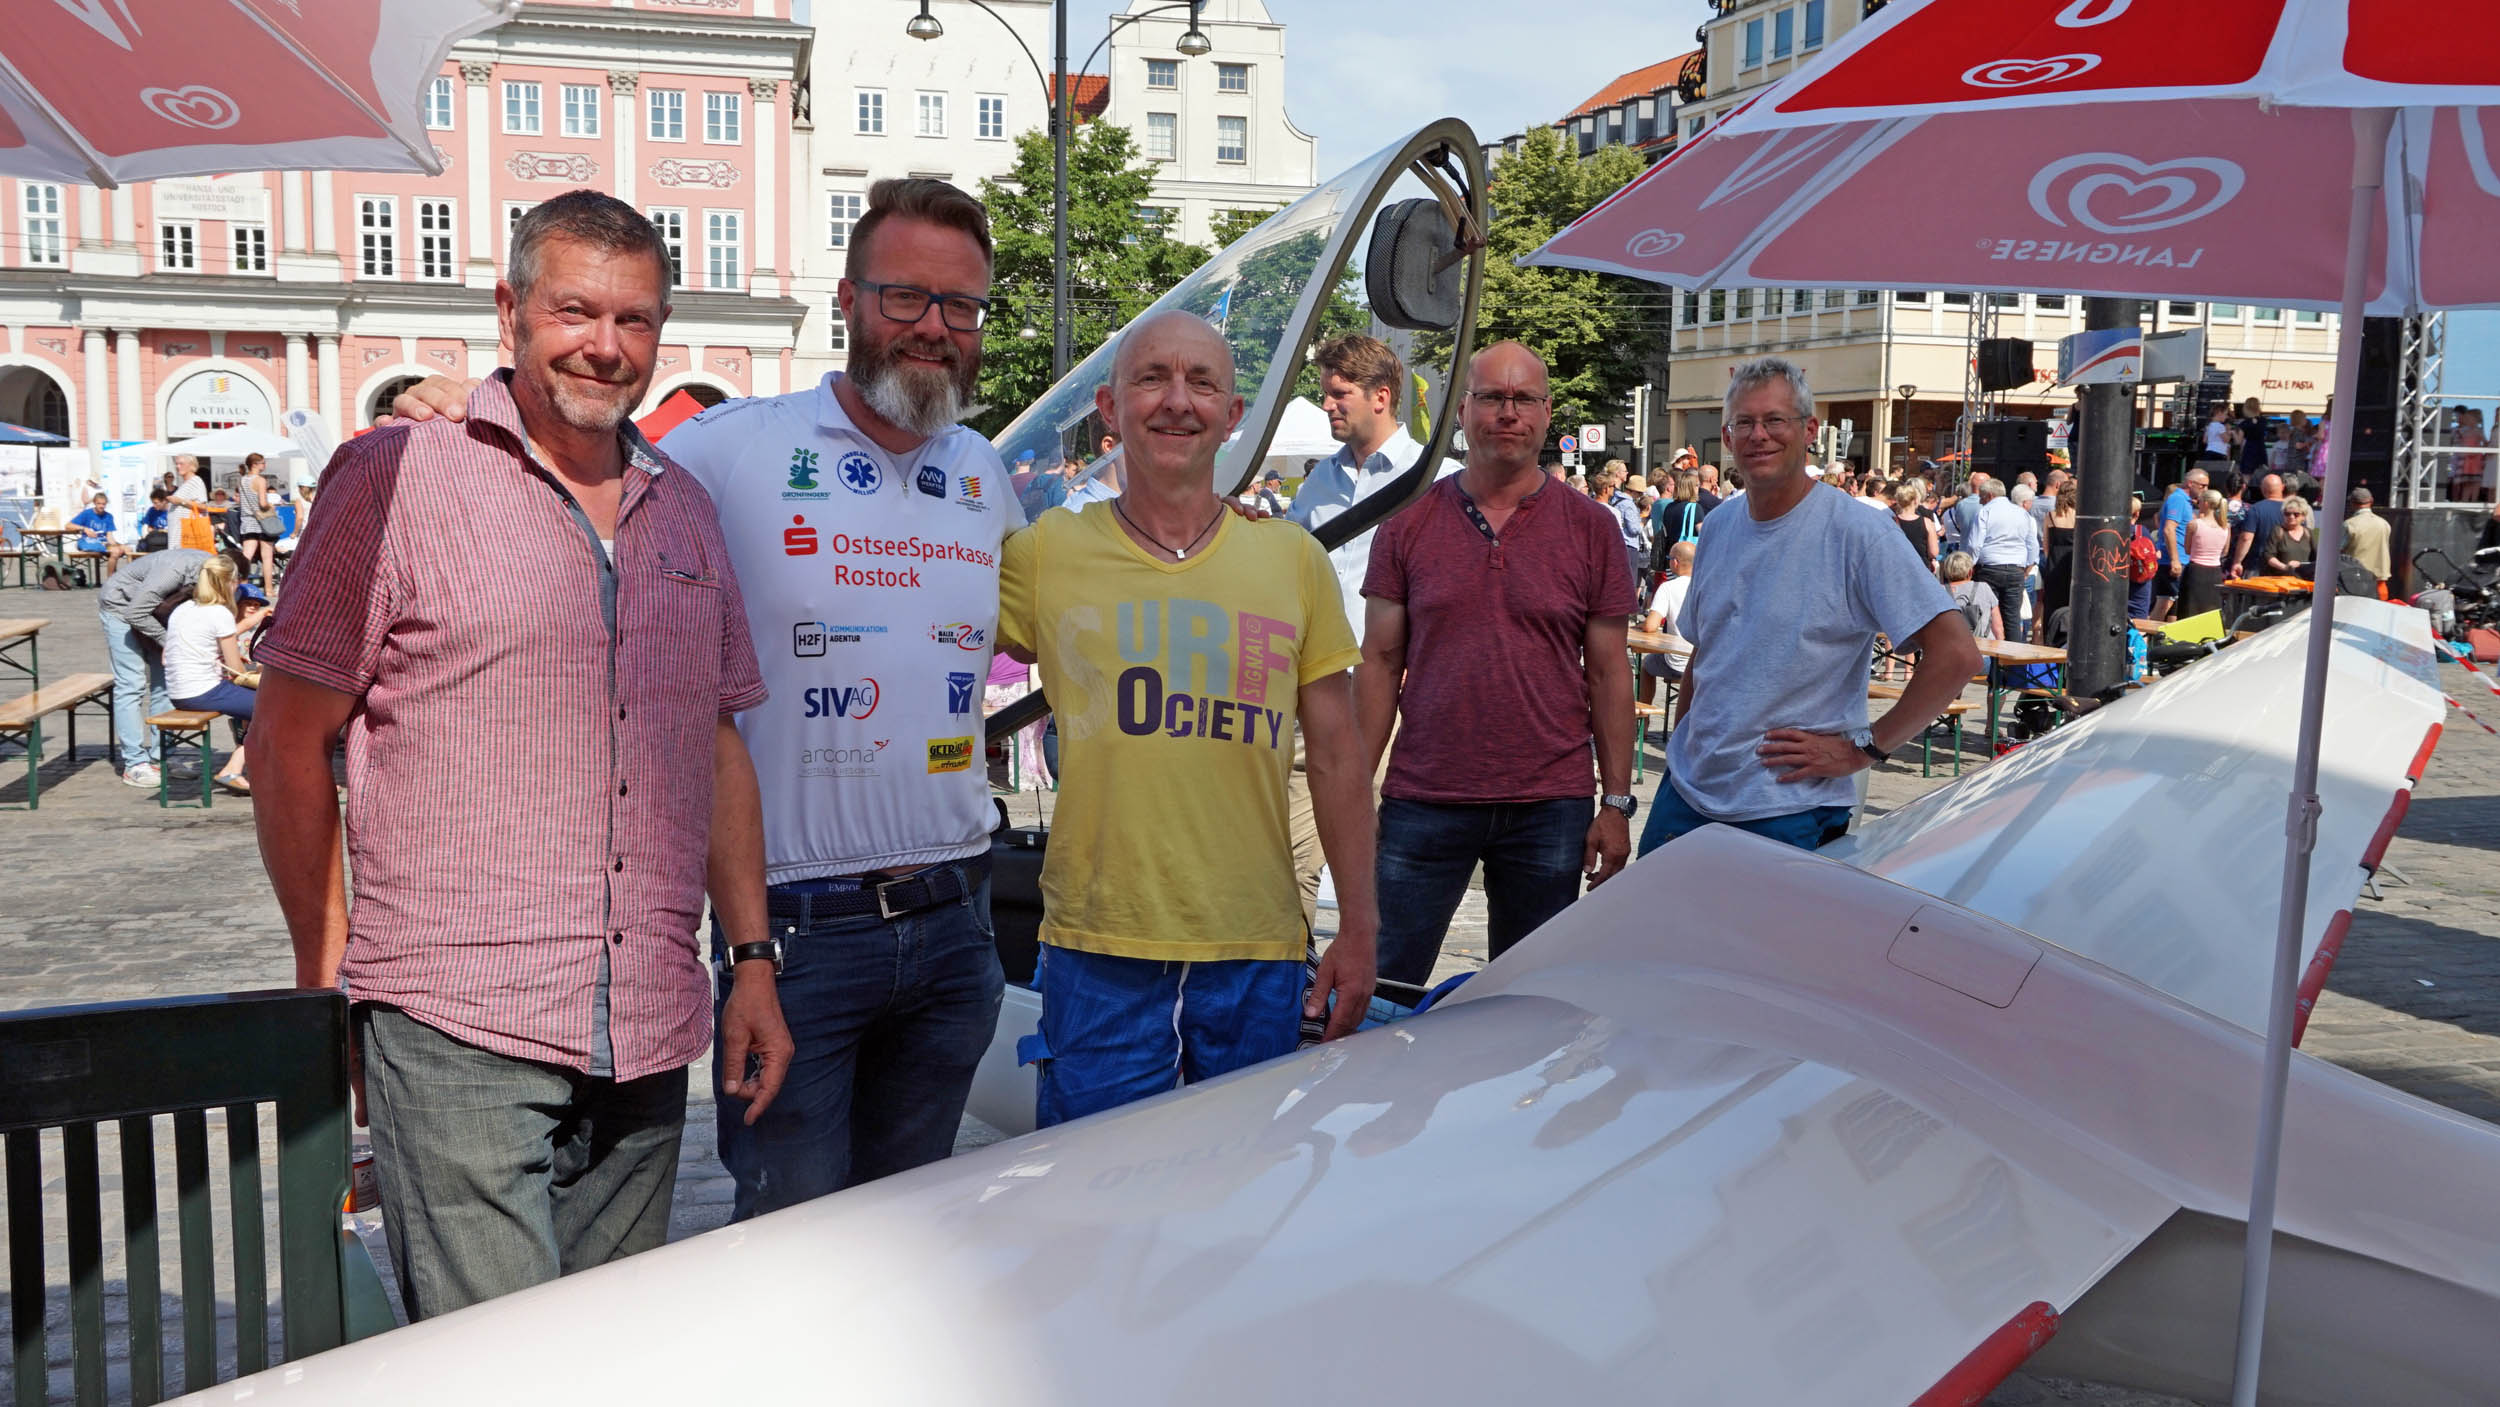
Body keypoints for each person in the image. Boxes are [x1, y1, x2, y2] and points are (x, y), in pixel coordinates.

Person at [385, 178, 1021, 1221]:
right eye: (905, 296)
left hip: (956, 921)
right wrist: (460, 408)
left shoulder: (985, 473)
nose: (934, 327)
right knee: (790, 1243)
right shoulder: (731, 448)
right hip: (799, 931)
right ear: (848, 302)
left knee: (917, 1238)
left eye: (961, 305)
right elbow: (572, 458)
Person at [252, 190, 790, 1321]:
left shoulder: (685, 510)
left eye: (634, 319)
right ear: (510, 312)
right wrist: (325, 975)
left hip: (647, 1021)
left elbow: (715, 744)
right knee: (493, 1363)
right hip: (458, 1020)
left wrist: (750, 960)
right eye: (575, 311)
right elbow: (288, 743)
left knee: (606, 1351)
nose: (606, 345)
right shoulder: (397, 474)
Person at [995, 309, 1379, 1126]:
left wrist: (1360, 926)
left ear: (1232, 414)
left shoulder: (1291, 559)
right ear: (1109, 406)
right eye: (1152, 378)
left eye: (1202, 383)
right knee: (1093, 1184)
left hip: (1256, 945)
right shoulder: (1044, 553)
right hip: (1099, 944)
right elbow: (929, 627)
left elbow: (1339, 755)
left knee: (1244, 1184)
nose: (1177, 400)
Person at [1358, 341, 1636, 989]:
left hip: (1550, 803)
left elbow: (1609, 672)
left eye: (1524, 399)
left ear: (1546, 413)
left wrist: (1617, 802)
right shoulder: (1408, 523)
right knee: (1380, 990)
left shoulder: (1591, 528)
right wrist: (1354, 790)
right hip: (1426, 796)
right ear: (1463, 410)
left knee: (1529, 1000)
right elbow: (1378, 663)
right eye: (1491, 397)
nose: (1508, 413)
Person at [1639, 357, 1978, 857]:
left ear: (1810, 431)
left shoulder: (1858, 531)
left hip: (1785, 805)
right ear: (1728, 437)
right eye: (1744, 423)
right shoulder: (1720, 526)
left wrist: (1866, 748)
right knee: (1654, 913)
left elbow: (1958, 656)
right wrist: (1681, 749)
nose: (1759, 435)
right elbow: (1707, 653)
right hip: (1686, 793)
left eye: (1775, 420)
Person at [1284, 332, 1436, 926]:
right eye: (1325, 393)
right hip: (1319, 689)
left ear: (1381, 396)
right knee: (1292, 856)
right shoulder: (1319, 481)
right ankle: (1296, 973)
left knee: (1379, 862)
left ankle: (1366, 970)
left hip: (1394, 698)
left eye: (1338, 393)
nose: (1327, 405)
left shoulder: (1435, 479)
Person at [96, 547, 214, 790]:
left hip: (156, 612)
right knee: (131, 684)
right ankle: (135, 763)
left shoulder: (215, 571)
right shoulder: (174, 571)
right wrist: (169, 642)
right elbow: (135, 613)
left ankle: (162, 757)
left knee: (165, 683)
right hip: (121, 607)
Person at [163, 554, 267, 794]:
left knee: (257, 707)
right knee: (275, 710)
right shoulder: (219, 613)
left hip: (178, 691)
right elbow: (236, 671)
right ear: (230, 583)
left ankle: (240, 763)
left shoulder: (183, 609)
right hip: (204, 691)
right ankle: (234, 769)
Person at [1967, 477, 2035, 638]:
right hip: (2015, 570)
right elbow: (2032, 544)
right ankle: (2013, 654)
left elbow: (1974, 544)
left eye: (1982, 497)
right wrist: (2027, 567)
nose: (1980, 502)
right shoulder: (2022, 514)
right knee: (2012, 618)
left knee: (1987, 616)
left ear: (1990, 495)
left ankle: (1990, 653)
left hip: (1989, 570)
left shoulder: (1985, 512)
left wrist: (1970, 565)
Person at [1638, 539, 1696, 709]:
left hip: (1676, 662)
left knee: (1646, 665)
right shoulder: (1706, 587)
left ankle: (1645, 716)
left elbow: (1650, 626)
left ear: (1675, 562)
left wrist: (1642, 624)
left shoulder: (1668, 587)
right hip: (1701, 663)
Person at [2154, 466, 2209, 620]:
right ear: (2190, 483)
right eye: (2203, 486)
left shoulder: (2186, 501)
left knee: (2174, 607)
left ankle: (2165, 635)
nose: (2205, 489)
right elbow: (2169, 529)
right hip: (2173, 561)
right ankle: (2144, 635)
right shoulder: (2178, 500)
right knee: (2164, 604)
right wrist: (2175, 560)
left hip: (2181, 559)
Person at [236, 452, 285, 599]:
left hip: (247, 520)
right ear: (255, 464)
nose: (265, 465)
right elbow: (262, 503)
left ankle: (241, 586)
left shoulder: (242, 480)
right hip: (263, 521)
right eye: (263, 462)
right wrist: (271, 505)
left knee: (246, 556)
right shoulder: (260, 480)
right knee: (267, 557)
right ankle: (268, 590)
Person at [2179, 488, 2231, 617]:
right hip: (2215, 572)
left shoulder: (2194, 524)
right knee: (2211, 612)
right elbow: (2225, 551)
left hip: (2196, 571)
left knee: (2189, 611)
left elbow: (2187, 549)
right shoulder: (2225, 527)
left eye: (2200, 501)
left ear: (2206, 504)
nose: (2198, 504)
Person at [2231, 472, 2288, 579]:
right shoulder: (2294, 512)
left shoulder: (2256, 509)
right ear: (2283, 487)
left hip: (2257, 567)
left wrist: (2237, 562)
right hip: (2285, 567)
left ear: (2262, 489)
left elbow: (2246, 538)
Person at [2039, 477, 2078, 624]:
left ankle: (2051, 632)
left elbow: (2045, 545)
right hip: (2073, 563)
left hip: (2054, 563)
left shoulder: (2051, 515)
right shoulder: (2079, 516)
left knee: (2052, 603)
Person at [68, 492, 133, 572]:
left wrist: (117, 545)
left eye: (103, 504)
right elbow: (68, 525)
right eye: (99, 503)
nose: (101, 506)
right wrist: (85, 529)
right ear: (94, 503)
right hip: (89, 542)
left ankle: (130, 575)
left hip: (104, 542)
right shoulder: (87, 513)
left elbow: (109, 536)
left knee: (128, 550)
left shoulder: (108, 516)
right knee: (115, 551)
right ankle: (111, 578)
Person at [2344, 486, 2392, 585]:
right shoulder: (2384, 523)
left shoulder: (2349, 524)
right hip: (2379, 580)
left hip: (2354, 579)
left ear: (2352, 503)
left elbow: (2336, 551)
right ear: (2371, 501)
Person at [1892, 479, 1939, 575]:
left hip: (1898, 568)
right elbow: (1933, 552)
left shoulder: (1892, 522)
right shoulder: (1927, 522)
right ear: (1916, 500)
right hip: (1922, 568)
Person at [2265, 495, 2316, 575]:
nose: (2291, 517)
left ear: (2303, 516)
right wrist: (2285, 567)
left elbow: (2316, 558)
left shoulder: (2308, 533)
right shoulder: (2277, 531)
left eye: (2296, 514)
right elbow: (2268, 556)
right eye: (2287, 514)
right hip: (2281, 578)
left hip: (2303, 579)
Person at [137, 488, 172, 553]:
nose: (154, 505)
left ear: (164, 501)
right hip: (155, 542)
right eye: (153, 503)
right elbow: (148, 528)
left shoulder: (172, 510)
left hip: (169, 542)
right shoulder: (152, 510)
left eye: (156, 503)